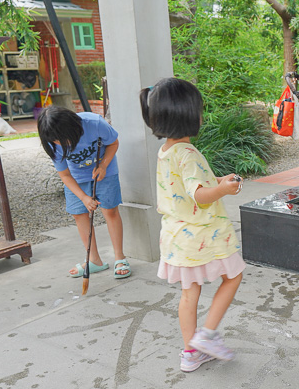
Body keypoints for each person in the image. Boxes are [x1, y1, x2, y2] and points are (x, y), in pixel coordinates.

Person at [140, 78, 244, 373]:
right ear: (186, 115)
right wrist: (224, 189)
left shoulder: (167, 151)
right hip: (201, 233)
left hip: (176, 235)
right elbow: (200, 195)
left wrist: (219, 181)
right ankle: (207, 335)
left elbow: (185, 189)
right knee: (234, 275)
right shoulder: (189, 154)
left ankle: (190, 354)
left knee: (189, 293)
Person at [38, 106, 131, 280]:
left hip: (105, 171)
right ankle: (94, 260)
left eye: (62, 139)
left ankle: (120, 257)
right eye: (55, 141)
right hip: (76, 177)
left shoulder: (94, 123)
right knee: (79, 214)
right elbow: (64, 175)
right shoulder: (51, 142)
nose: (59, 143)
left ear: (73, 128)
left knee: (110, 210)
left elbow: (113, 143)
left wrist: (103, 165)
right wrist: (84, 197)